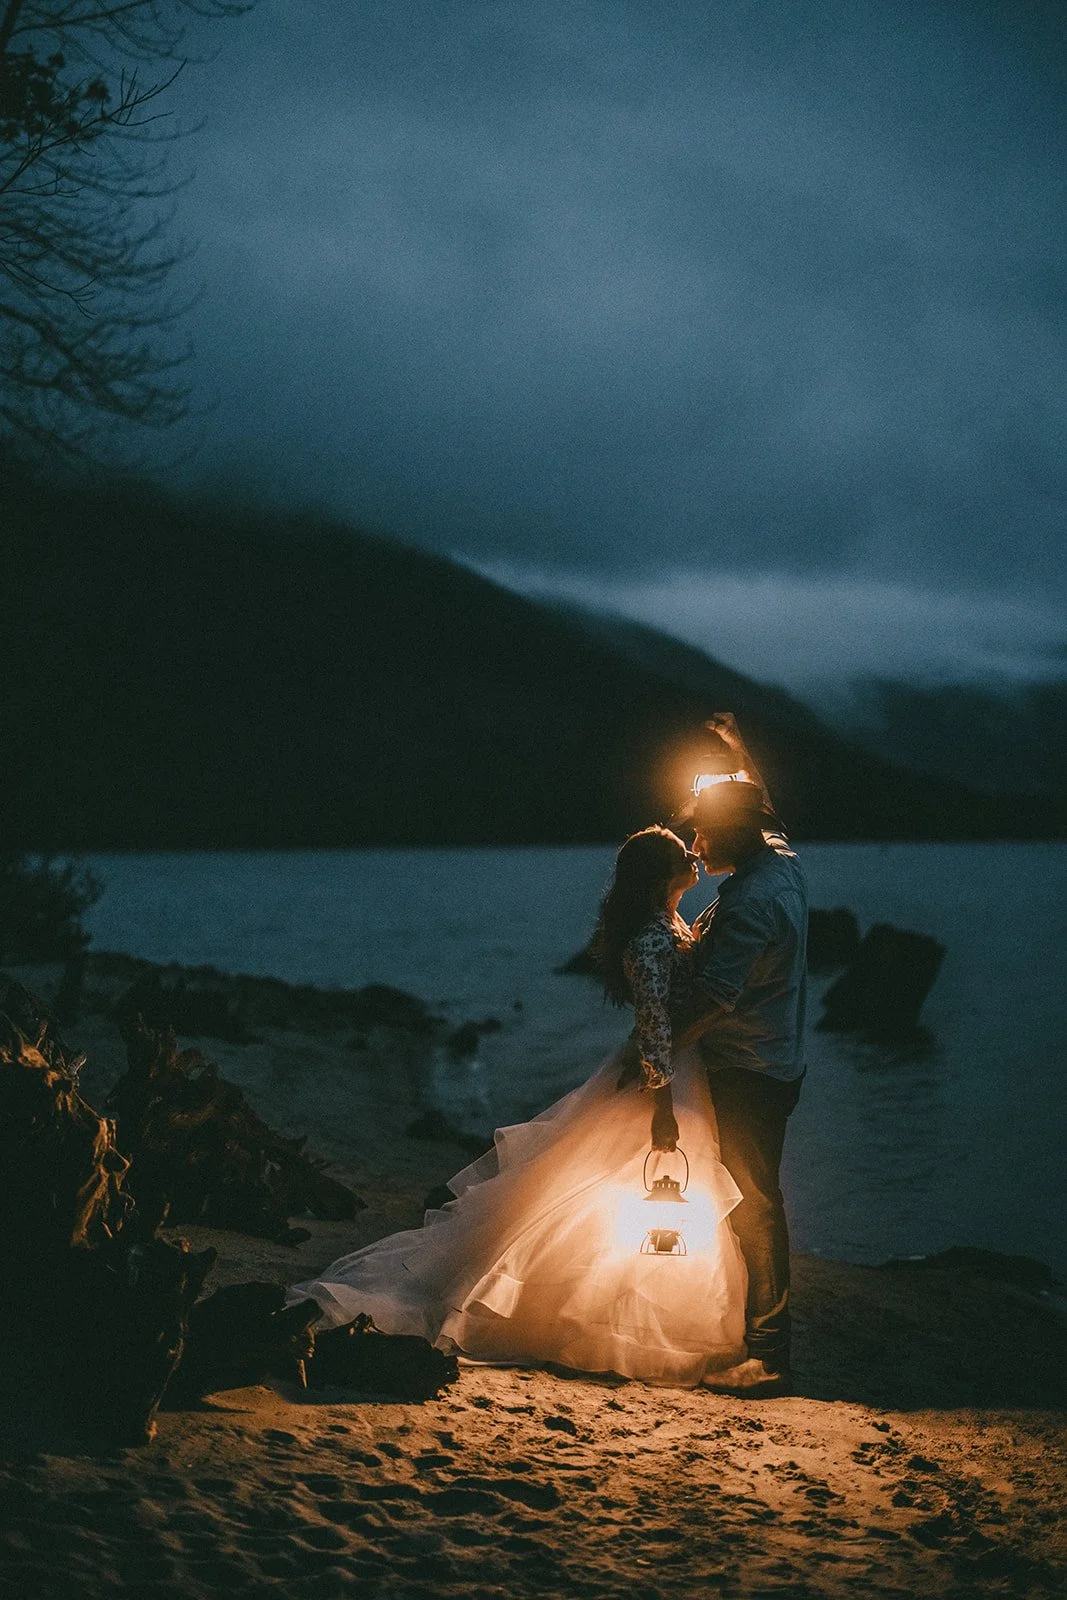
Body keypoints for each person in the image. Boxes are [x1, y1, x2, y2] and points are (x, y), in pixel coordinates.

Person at [288, 827, 747, 1388]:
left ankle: (627, 1311)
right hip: (662, 1077)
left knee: (623, 1195)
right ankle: (591, 1317)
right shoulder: (651, 940)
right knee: (621, 1194)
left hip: (676, 1067)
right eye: (683, 854)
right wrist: (662, 1108)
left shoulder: (667, 924)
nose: (694, 856)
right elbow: (654, 1025)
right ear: (659, 877)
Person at [673, 715, 807, 1397]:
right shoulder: (778, 860)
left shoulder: (752, 900)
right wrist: (737, 752)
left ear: (727, 833)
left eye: (702, 830)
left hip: (748, 1071)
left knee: (752, 1204)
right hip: (776, 1060)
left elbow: (715, 999)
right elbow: (765, 806)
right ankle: (745, 1330)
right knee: (746, 1200)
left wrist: (653, 1060)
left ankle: (768, 1355)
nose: (694, 844)